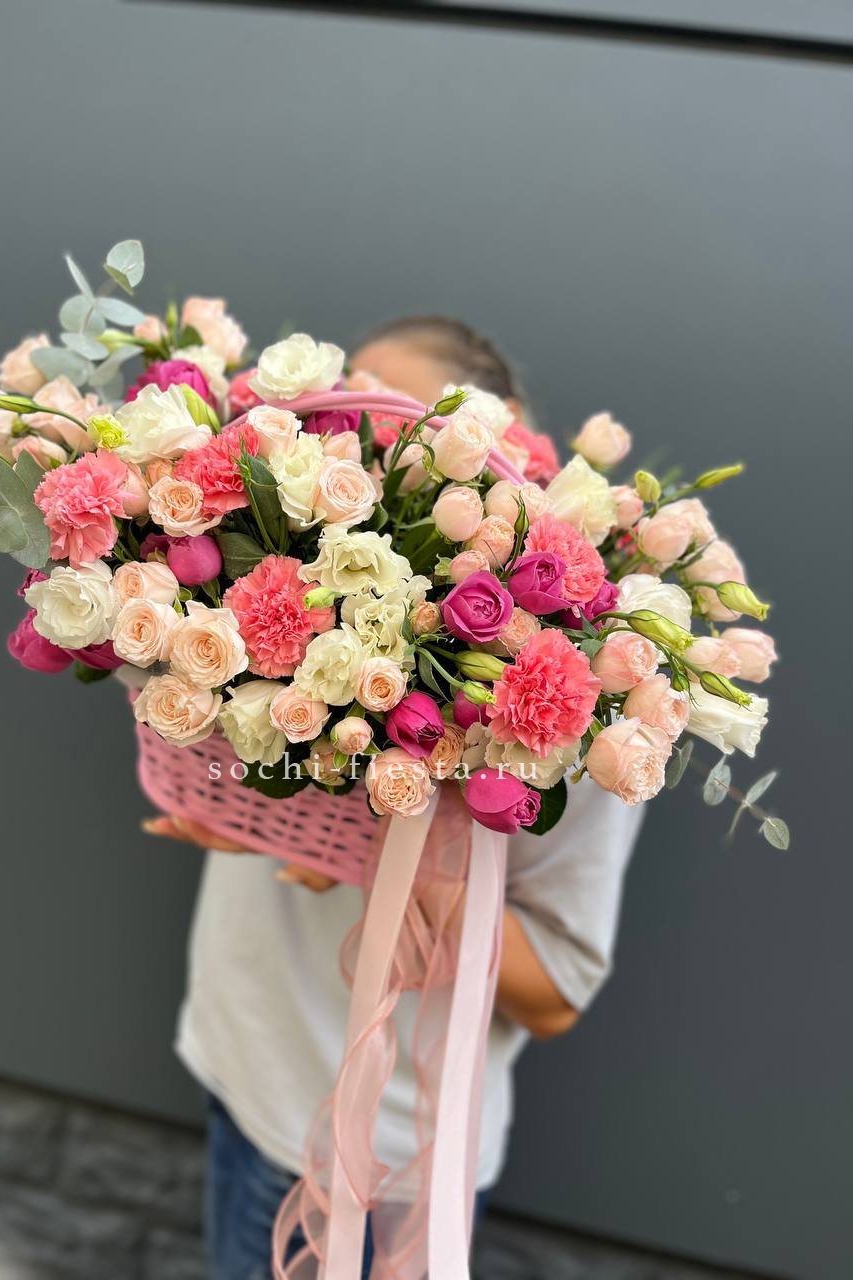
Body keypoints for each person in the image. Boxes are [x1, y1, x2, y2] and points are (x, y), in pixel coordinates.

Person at [145, 316, 645, 1280]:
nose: (358, 449)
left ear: (500, 440)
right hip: (238, 1063)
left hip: (377, 1163)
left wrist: (363, 846)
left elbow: (554, 998)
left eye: (400, 427)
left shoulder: (567, 706)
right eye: (343, 415)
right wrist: (247, 797)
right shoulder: (287, 586)